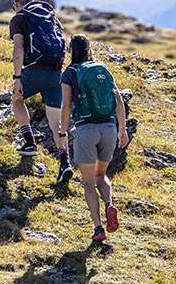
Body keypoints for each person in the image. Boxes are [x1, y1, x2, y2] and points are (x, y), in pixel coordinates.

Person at [57, 34, 129, 243]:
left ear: (71, 50)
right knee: (101, 175)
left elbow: (66, 106)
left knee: (88, 183)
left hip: (86, 129)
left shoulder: (69, 73)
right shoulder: (101, 68)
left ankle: (98, 228)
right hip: (108, 127)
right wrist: (122, 130)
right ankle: (109, 204)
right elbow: (118, 99)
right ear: (89, 49)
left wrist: (62, 132)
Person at [8, 0, 71, 184]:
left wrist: (17, 78)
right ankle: (64, 162)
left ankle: (29, 143)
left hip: (34, 70)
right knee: (56, 123)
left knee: (16, 100)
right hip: (55, 72)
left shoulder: (19, 18)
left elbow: (18, 49)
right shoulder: (48, 14)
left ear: (16, 3)